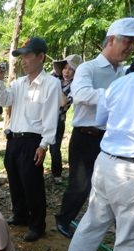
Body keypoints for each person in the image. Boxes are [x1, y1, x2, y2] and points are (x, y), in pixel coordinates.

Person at [61, 52, 134, 251]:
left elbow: (100, 120)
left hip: (107, 160)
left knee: (93, 220)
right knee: (132, 236)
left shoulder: (121, 83)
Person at [55, 17, 134, 238]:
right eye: (128, 41)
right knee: (80, 184)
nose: (131, 47)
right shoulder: (89, 68)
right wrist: (117, 94)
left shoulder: (125, 72)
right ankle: (64, 219)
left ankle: (105, 222)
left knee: (109, 185)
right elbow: (81, 94)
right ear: (112, 40)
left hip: (113, 139)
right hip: (85, 136)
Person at [0, 37, 61, 242]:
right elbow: (4, 100)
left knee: (32, 184)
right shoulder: (19, 83)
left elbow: (50, 117)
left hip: (33, 141)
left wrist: (44, 145)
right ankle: (21, 215)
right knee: (15, 179)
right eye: (21, 57)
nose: (24, 61)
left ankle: (37, 224)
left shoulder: (51, 84)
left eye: (28, 56)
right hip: (14, 139)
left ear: (41, 57)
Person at [50, 54, 83, 183]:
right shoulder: (54, 78)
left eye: (71, 69)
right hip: (43, 119)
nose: (66, 72)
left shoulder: (75, 86)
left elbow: (63, 103)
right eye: (64, 68)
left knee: (54, 149)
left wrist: (56, 86)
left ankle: (56, 174)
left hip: (58, 121)